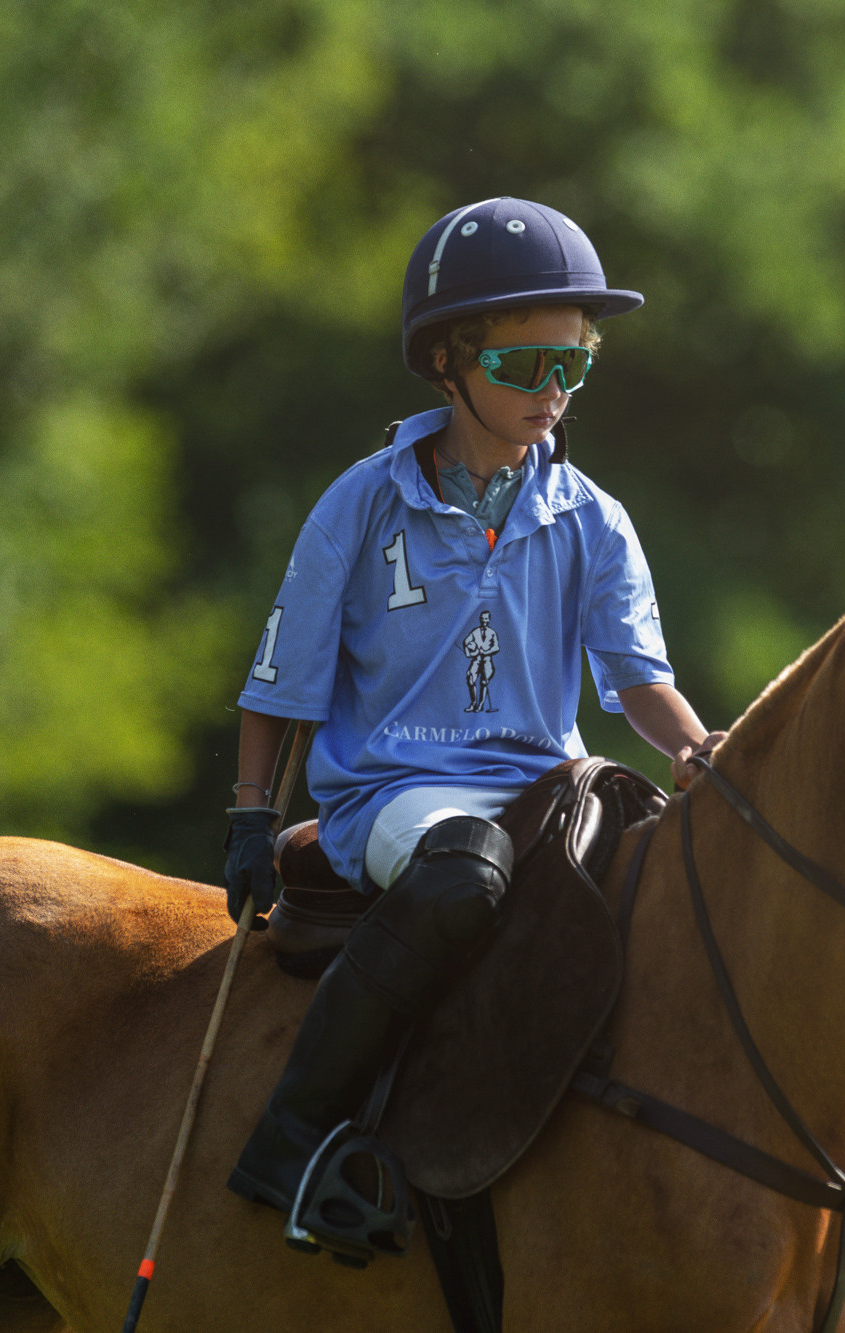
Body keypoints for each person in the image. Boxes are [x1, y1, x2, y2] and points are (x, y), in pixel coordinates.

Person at [221, 197, 725, 1254]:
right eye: (521, 369)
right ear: (448, 361)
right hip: (395, 792)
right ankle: (291, 1133)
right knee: (466, 871)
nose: (550, 394)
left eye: (571, 368)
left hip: (549, 783)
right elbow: (283, 682)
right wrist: (246, 816)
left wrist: (697, 752)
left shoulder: (594, 516)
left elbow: (635, 679)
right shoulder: (358, 504)